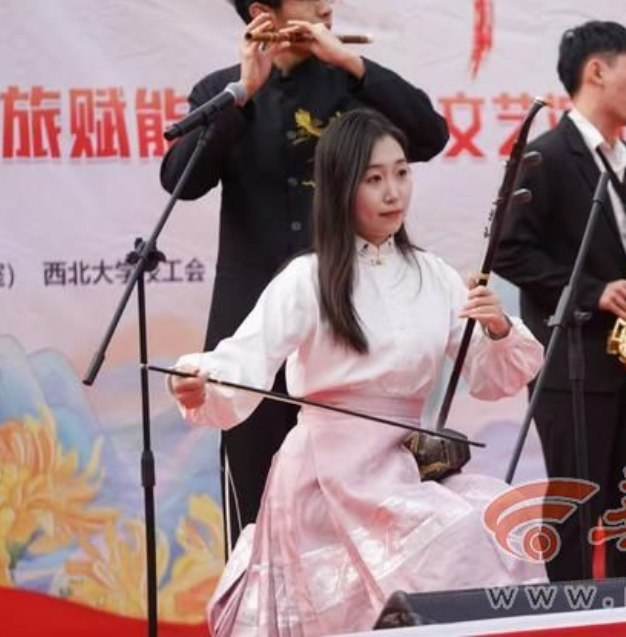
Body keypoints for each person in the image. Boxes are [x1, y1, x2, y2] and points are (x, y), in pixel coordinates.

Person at [167, 108, 545, 634]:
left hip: (402, 465)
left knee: (497, 522)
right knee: (443, 544)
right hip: (325, 477)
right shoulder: (308, 277)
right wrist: (196, 376)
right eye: (374, 179)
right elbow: (243, 362)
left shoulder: (433, 275)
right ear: (342, 188)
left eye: (401, 173)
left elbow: (490, 377)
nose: (393, 192)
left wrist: (499, 328)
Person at [160, 0, 449, 545]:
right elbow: (181, 181)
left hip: (346, 317)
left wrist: (353, 64)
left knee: (354, 511)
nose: (325, 8)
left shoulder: (349, 85)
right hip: (253, 320)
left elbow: (429, 135)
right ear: (263, 14)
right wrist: (245, 90)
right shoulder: (224, 90)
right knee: (254, 502)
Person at [494, 20, 626, 582]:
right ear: (597, 72)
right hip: (572, 367)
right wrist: (593, 292)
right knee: (574, 511)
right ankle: (570, 616)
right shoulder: (544, 156)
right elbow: (508, 251)